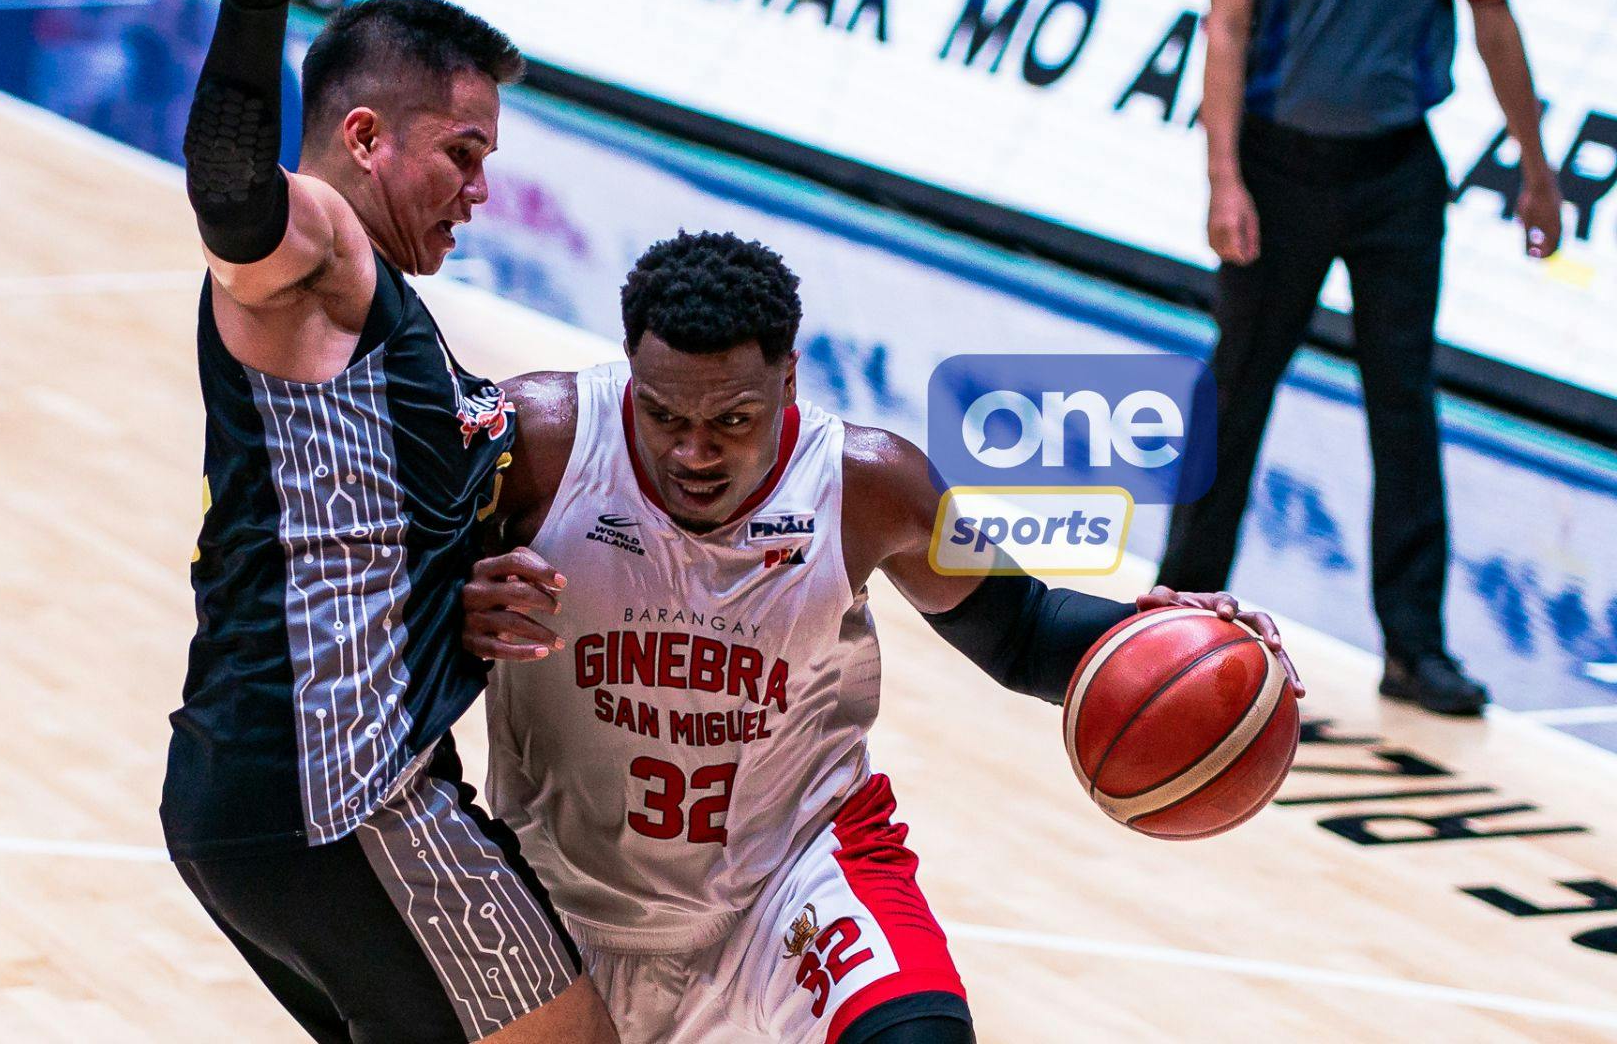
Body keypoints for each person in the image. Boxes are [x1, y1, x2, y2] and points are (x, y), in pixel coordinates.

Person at [461, 232, 1303, 1044]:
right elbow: (362, 602)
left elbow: (1021, 629)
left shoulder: (873, 485)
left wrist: (1167, 636)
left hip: (787, 882)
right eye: (665, 414)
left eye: (731, 419)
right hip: (550, 900)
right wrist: (455, 603)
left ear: (790, 380)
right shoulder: (541, 442)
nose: (693, 451)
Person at [158, 0, 616, 1040]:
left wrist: (462, 587)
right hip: (343, 795)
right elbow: (231, 194)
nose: (481, 191)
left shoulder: (378, 311)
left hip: (254, 789)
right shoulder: (320, 249)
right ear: (364, 137)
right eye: (463, 154)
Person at [1160, 0, 1563, 716]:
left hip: (1396, 169)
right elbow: (1227, 24)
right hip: (1276, 164)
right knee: (1236, 389)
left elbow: (1495, 26)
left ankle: (1414, 651)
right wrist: (1223, 177)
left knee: (1404, 401)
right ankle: (1177, 614)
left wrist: (1537, 171)